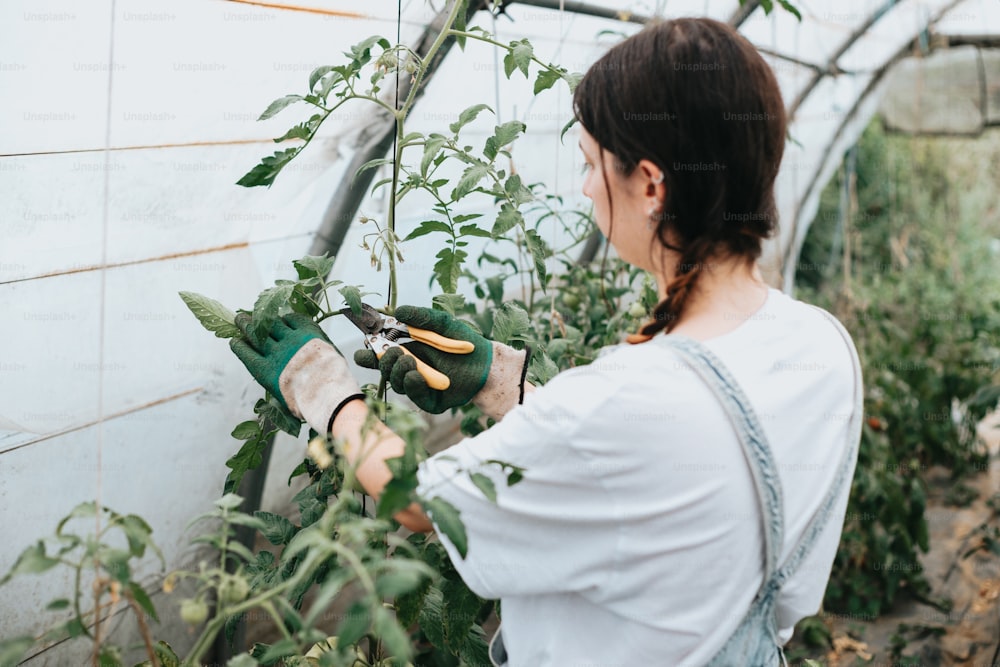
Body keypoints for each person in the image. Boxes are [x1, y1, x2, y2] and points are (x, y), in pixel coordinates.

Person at [229, 17, 863, 667]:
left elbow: (418, 499)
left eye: (591, 164)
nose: (585, 187)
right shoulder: (821, 346)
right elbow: (647, 470)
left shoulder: (631, 396)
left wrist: (323, 388)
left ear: (650, 185)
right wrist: (501, 381)